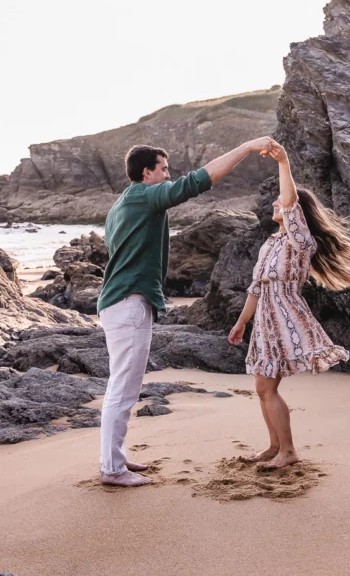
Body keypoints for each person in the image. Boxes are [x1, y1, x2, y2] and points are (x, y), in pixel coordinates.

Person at [99, 137, 276, 487]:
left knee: (122, 387)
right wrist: (244, 148)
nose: (169, 175)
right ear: (147, 173)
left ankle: (114, 459)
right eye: (164, 169)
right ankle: (111, 469)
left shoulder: (122, 204)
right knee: (122, 389)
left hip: (122, 303)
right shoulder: (144, 196)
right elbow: (196, 183)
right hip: (129, 303)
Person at [228, 140, 350, 469]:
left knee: (269, 387)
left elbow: (290, 201)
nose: (275, 203)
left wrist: (284, 161)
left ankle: (288, 452)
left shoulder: (301, 242)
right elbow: (256, 288)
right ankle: (273, 446)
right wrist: (242, 322)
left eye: (280, 203)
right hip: (265, 319)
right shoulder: (271, 243)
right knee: (261, 386)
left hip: (285, 317)